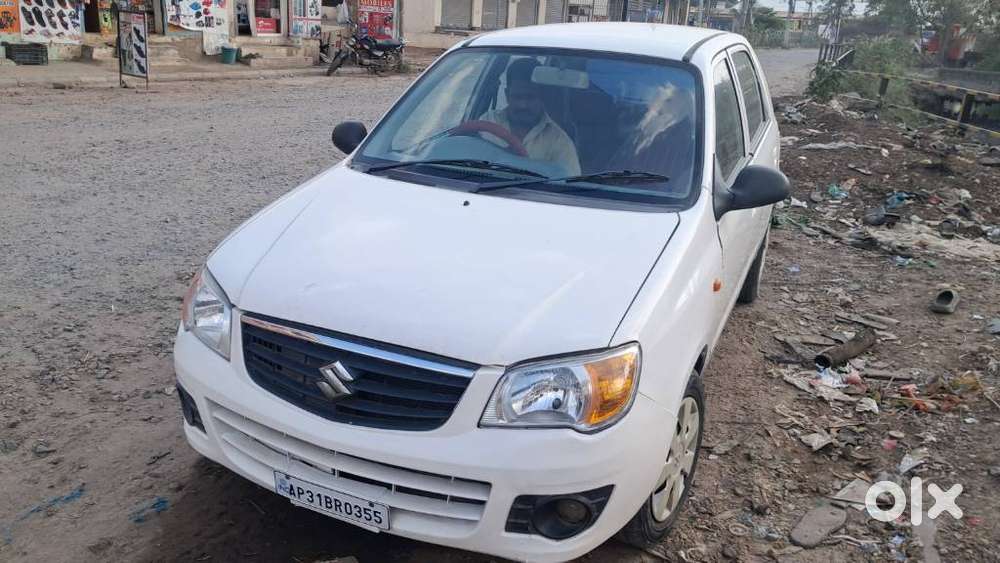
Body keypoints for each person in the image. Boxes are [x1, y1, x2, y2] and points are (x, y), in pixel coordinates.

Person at [479, 58, 581, 175]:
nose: (523, 105)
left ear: (543, 97)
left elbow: (568, 184)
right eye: (517, 97)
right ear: (507, 95)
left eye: (530, 97)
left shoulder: (559, 141)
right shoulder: (488, 122)